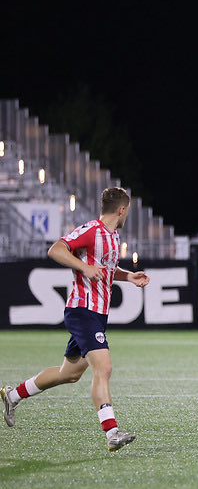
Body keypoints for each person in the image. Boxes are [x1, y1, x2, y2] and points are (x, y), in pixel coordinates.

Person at [1, 187, 149, 452]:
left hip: (97, 314)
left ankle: (12, 395)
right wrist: (83, 267)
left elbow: (106, 270)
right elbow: (56, 250)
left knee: (68, 374)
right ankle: (112, 432)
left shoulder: (113, 236)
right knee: (103, 368)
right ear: (122, 209)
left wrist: (129, 277)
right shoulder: (91, 230)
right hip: (82, 311)